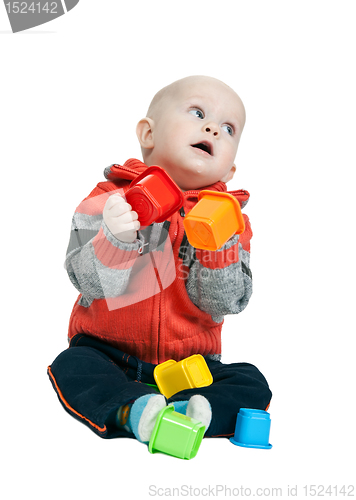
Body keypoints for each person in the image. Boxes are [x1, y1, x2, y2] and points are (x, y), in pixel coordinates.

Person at [48, 75, 272, 444]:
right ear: (148, 135)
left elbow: (226, 303)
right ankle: (134, 410)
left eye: (229, 128)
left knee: (250, 380)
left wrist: (216, 247)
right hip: (107, 355)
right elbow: (87, 283)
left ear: (229, 171)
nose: (213, 128)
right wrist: (116, 239)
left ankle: (192, 413)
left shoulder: (232, 224)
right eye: (198, 112)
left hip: (192, 367)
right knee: (72, 366)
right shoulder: (105, 201)